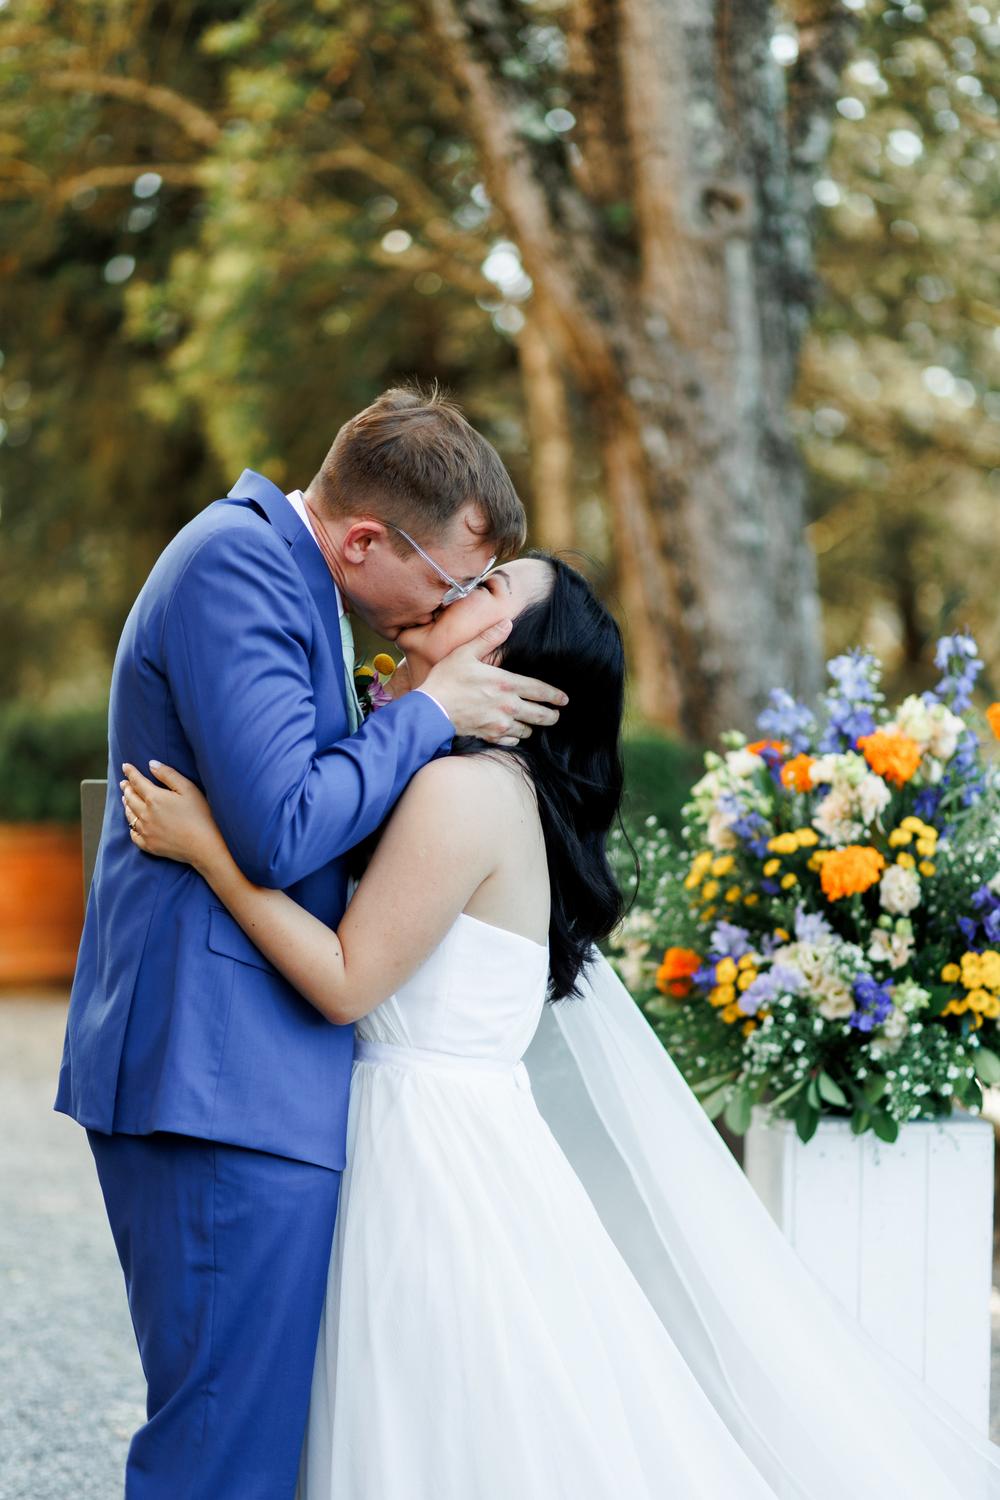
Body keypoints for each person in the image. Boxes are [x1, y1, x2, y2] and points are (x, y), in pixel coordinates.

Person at [120, 555, 1000, 1499]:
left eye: (492, 587)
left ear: (511, 655)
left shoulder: (466, 792)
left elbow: (344, 981)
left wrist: (211, 852)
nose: (463, 584)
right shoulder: (463, 775)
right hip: (420, 1131)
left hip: (428, 1165)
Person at [55, 386, 566, 1500]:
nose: (463, 604)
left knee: (250, 1442)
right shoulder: (236, 567)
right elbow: (282, 826)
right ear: (365, 539)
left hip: (252, 1075)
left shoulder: (291, 581)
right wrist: (427, 714)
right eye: (453, 581)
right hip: (216, 1072)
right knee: (222, 1452)